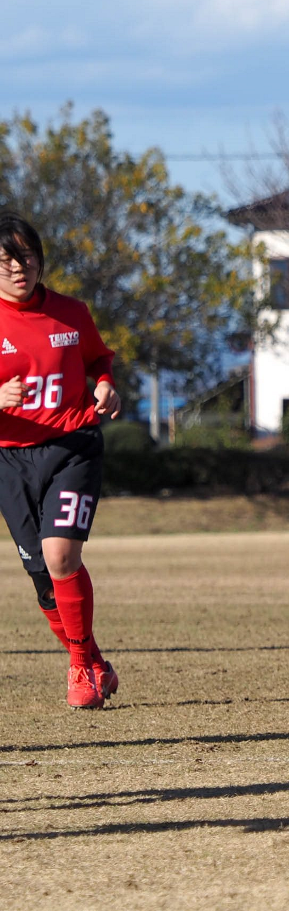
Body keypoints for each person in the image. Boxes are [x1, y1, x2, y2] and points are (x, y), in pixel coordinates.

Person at [0, 212, 121, 709]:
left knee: (60, 556)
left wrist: (106, 384)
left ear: (40, 260)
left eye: (24, 257)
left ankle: (78, 669)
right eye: (4, 260)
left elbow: (99, 359)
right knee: (42, 579)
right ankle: (93, 662)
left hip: (73, 445)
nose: (15, 268)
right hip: (10, 457)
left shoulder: (72, 313)